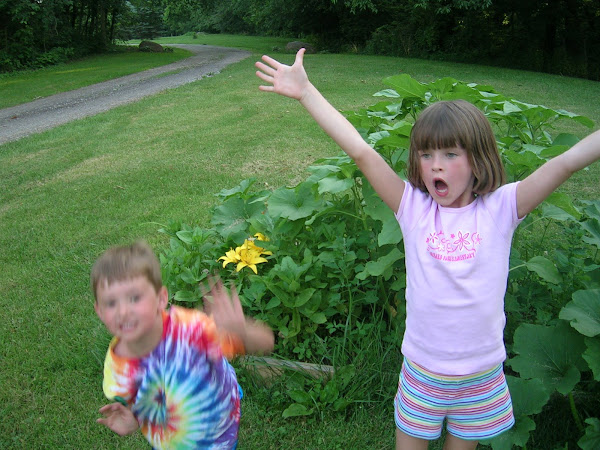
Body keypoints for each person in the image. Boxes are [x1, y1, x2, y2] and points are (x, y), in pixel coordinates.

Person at [255, 48, 600, 449]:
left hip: (480, 375)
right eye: (426, 154)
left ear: (478, 160)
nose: (435, 165)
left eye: (450, 154)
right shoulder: (413, 208)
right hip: (422, 371)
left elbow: (566, 163)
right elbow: (362, 152)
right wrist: (306, 92)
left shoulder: (503, 208)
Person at [91, 240, 274, 449]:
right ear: (99, 311)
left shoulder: (190, 331)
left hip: (218, 433)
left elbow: (266, 343)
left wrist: (241, 331)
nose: (123, 312)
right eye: (111, 303)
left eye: (134, 298)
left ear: (161, 298)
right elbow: (141, 406)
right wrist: (133, 421)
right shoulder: (118, 367)